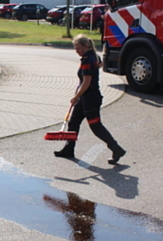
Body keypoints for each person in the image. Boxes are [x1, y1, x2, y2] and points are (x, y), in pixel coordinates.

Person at [54, 34, 126, 164]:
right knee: (74, 122)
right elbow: (99, 64)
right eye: (75, 49)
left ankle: (116, 149)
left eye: (79, 49)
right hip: (85, 97)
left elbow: (87, 82)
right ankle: (69, 149)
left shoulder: (87, 59)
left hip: (91, 98)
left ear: (86, 46)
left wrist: (76, 97)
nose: (77, 52)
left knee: (96, 126)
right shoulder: (92, 56)